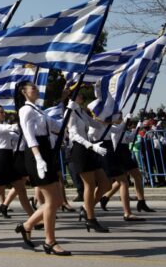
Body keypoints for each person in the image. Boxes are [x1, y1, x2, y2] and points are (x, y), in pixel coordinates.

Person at [15, 81, 70, 256]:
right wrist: (39, 159)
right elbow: (30, 137)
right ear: (23, 92)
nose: (36, 90)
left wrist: (69, 109)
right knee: (52, 201)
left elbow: (58, 127)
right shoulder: (25, 110)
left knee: (57, 200)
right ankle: (50, 241)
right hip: (36, 154)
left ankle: (27, 226)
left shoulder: (39, 111)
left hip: (47, 152)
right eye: (33, 88)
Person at [67, 94, 111, 232]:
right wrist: (91, 146)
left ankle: (86, 208)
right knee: (90, 185)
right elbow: (73, 135)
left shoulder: (79, 111)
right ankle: (91, 219)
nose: (81, 95)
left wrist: (109, 120)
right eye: (79, 93)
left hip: (89, 148)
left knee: (105, 184)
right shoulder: (70, 111)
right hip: (80, 149)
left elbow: (94, 123)